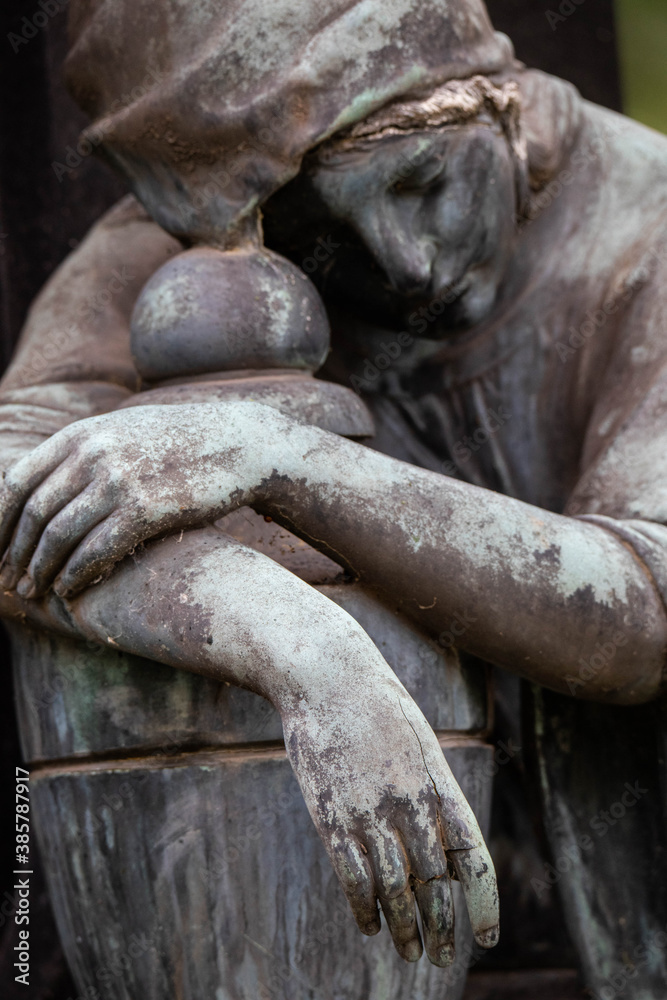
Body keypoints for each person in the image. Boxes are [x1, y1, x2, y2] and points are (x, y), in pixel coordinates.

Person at [2, 0, 667, 992]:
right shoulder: (221, 210)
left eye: (422, 181)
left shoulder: (648, 226)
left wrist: (280, 459)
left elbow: (643, 605)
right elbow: (14, 480)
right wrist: (300, 649)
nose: (407, 263)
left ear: (502, 101)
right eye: (321, 233)